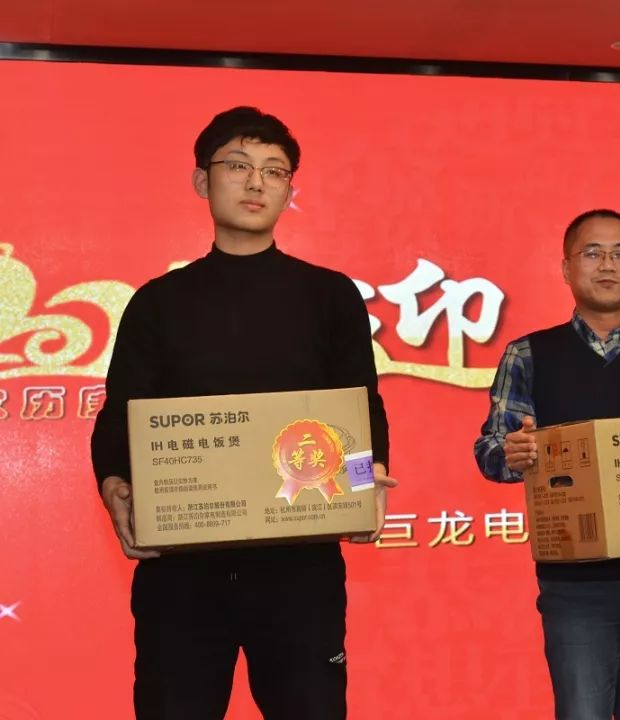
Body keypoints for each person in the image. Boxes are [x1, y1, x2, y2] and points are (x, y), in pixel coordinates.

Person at [90, 106, 394, 720]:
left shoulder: (329, 295)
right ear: (201, 181)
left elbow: (360, 408)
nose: (257, 183)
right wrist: (114, 483)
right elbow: (121, 413)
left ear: (289, 191)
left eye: (274, 171)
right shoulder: (157, 303)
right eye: (238, 165)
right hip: (182, 570)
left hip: (298, 567)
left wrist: (365, 485)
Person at [474, 209, 620, 720]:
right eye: (592, 253)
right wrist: (514, 454)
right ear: (566, 268)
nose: (608, 265)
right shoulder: (528, 354)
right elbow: (492, 450)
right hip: (575, 583)